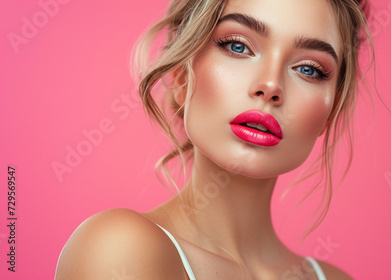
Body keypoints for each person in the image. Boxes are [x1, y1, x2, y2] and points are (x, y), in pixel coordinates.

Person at [55, 0, 371, 279]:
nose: (270, 85)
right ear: (181, 74)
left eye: (308, 69)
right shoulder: (120, 249)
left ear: (331, 109)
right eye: (237, 46)